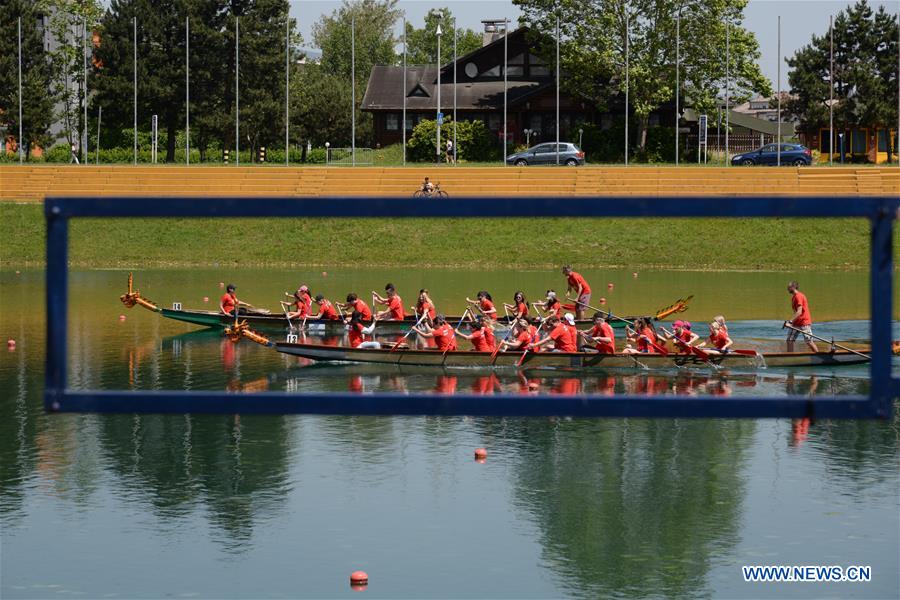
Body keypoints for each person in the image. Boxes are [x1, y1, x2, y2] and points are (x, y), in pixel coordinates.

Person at [785, 281, 818, 352]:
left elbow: (799, 312)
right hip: (796, 323)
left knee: (809, 341)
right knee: (789, 340)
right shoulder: (794, 297)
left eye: (789, 287)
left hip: (804, 322)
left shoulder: (799, 296)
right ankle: (790, 357)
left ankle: (818, 356)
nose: (787, 288)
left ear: (793, 287)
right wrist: (792, 322)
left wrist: (790, 321)